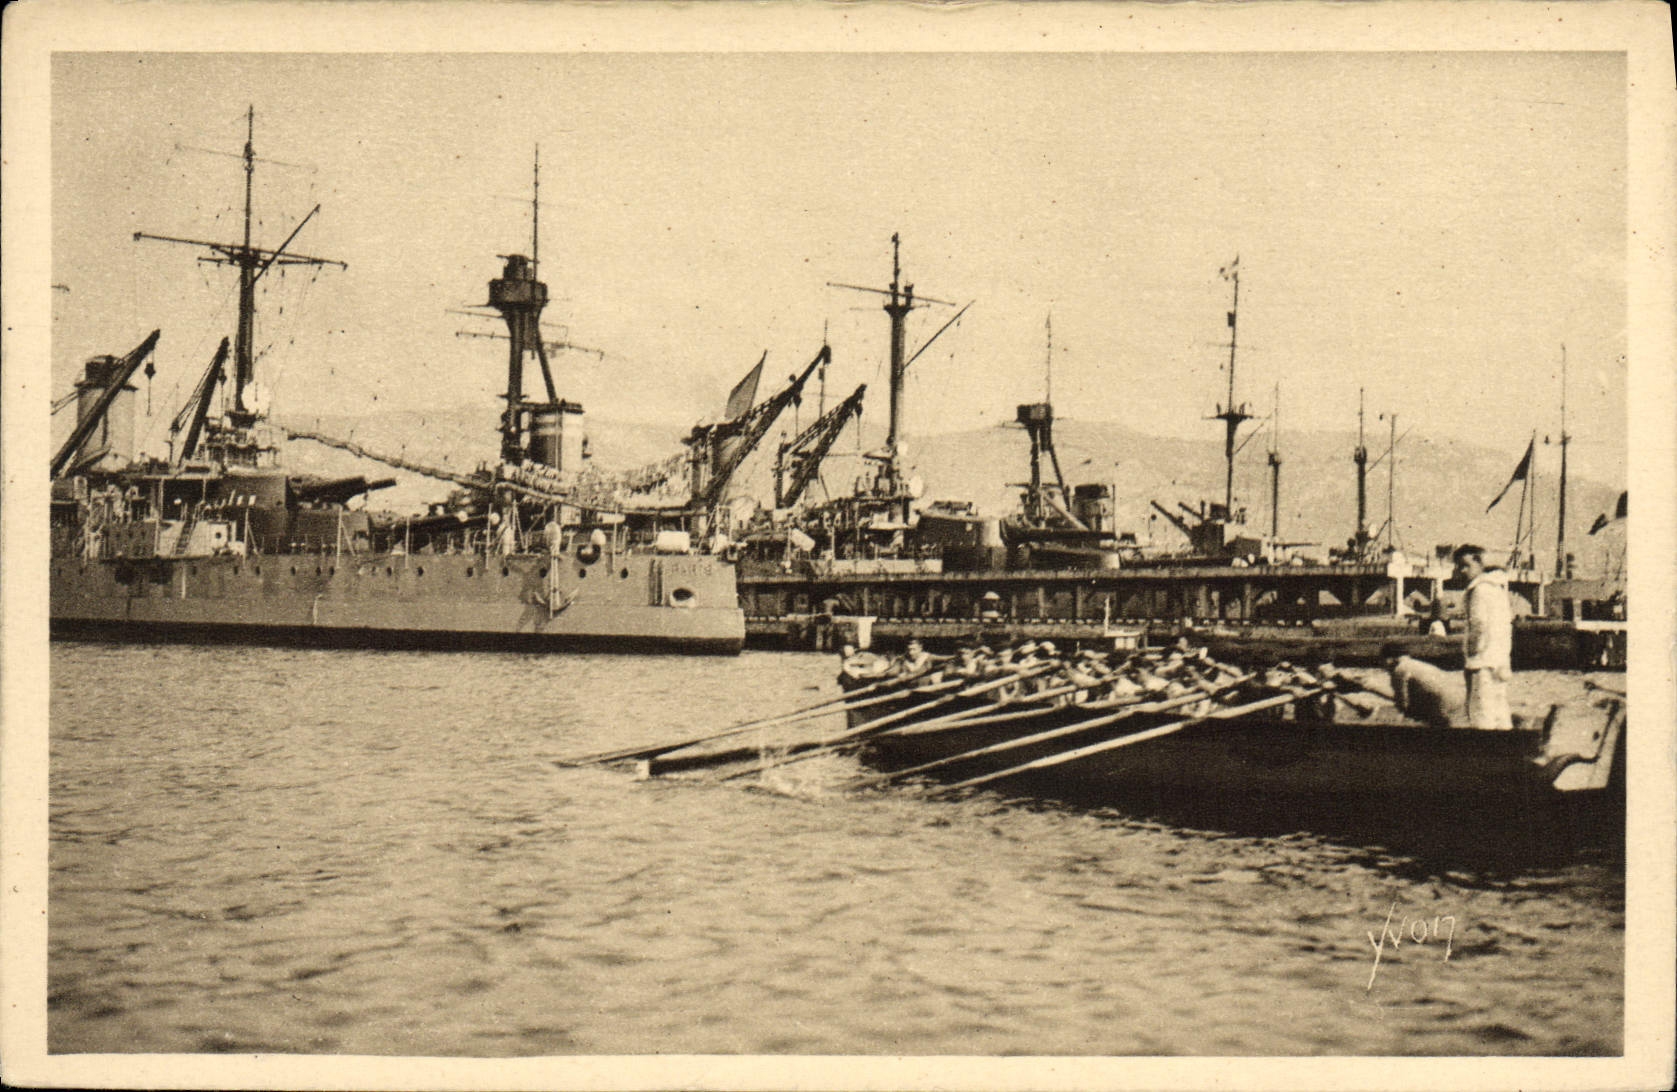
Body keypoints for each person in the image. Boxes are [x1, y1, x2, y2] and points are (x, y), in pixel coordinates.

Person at [1453, 544, 1513, 729]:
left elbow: (1479, 625)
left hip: (1483, 662)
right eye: (1459, 566)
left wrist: (1471, 656)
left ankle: (1482, 746)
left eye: (1466, 565)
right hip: (1500, 660)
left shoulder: (1478, 590)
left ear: (1480, 564)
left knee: (1482, 715)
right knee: (1500, 712)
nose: (1462, 571)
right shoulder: (1497, 588)